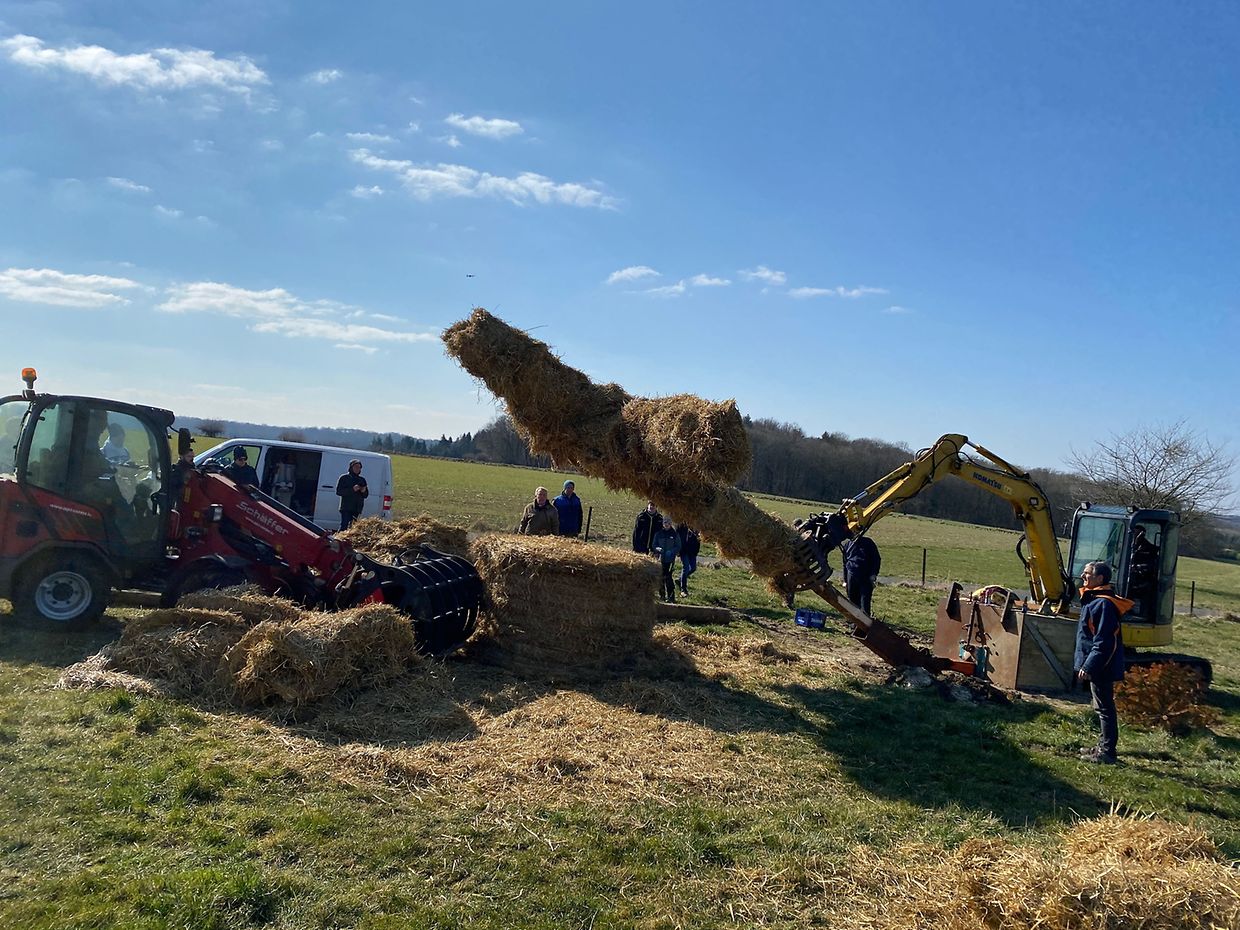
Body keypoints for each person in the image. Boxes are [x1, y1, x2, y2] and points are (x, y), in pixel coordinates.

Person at [1075, 560, 1131, 765]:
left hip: (1102, 665)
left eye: (1087, 574)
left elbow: (1104, 641)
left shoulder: (1103, 604)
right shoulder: (1095, 600)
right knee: (1101, 707)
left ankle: (1107, 752)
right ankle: (1102, 747)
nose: (1083, 576)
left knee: (1105, 709)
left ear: (1100, 579)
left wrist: (1089, 666)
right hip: (1100, 663)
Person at [842, 531, 881, 616]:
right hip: (851, 575)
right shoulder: (847, 545)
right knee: (852, 601)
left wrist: (873, 574)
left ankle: (865, 622)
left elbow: (876, 559)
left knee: (864, 602)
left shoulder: (868, 543)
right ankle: (854, 621)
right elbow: (845, 563)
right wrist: (845, 580)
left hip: (866, 576)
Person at [1128, 525, 1160, 617]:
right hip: (1128, 579)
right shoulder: (1128, 546)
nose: (1134, 535)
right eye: (1133, 533)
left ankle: (1139, 614)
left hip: (1142, 580)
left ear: (1142, 534)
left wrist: (1136, 568)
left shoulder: (1149, 549)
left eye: (1137, 533)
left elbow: (1151, 566)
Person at [652, 516, 682, 602]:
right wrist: (657, 549)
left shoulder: (674, 534)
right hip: (660, 560)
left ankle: (671, 597)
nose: (666, 524)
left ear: (671, 523)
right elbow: (654, 545)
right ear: (663, 523)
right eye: (665, 522)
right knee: (661, 578)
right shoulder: (659, 534)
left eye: (668, 522)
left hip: (670, 560)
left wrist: (672, 551)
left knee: (668, 578)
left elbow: (678, 546)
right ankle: (662, 596)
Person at [335, 458, 369, 531]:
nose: (357, 469)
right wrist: (352, 489)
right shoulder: (344, 478)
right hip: (346, 508)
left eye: (359, 467)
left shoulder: (362, 480)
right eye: (356, 467)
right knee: (344, 526)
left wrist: (363, 491)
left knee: (353, 529)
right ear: (351, 467)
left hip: (357, 508)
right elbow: (339, 491)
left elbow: (366, 495)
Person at [677, 523, 701, 596]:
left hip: (692, 551)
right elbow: (677, 536)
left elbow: (698, 540)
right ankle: (683, 589)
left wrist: (696, 550)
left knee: (693, 568)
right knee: (686, 567)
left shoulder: (697, 527)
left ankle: (680, 579)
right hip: (683, 550)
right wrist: (678, 549)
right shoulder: (682, 526)